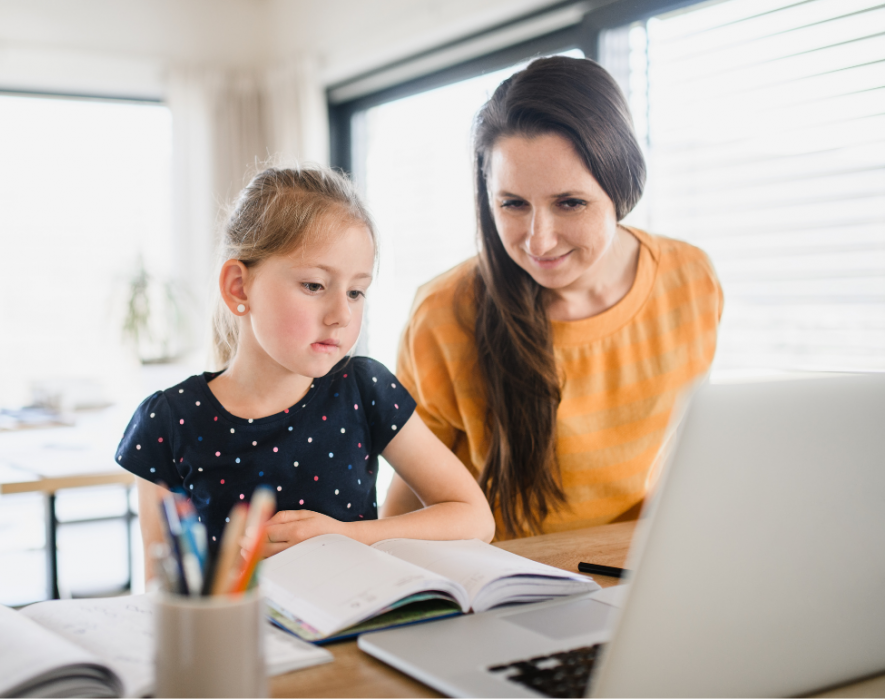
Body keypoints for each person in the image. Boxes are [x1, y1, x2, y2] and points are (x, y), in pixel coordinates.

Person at [383, 56, 724, 539]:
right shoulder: (444, 313)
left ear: (621, 188)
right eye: (513, 204)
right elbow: (409, 498)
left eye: (570, 203)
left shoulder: (691, 279)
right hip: (505, 587)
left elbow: (688, 454)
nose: (538, 242)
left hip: (643, 574)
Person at [117, 167, 494, 576]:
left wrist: (348, 535)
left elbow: (475, 518)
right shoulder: (169, 420)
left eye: (356, 291)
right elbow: (161, 588)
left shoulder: (365, 389)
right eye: (315, 285)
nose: (342, 314)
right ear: (239, 288)